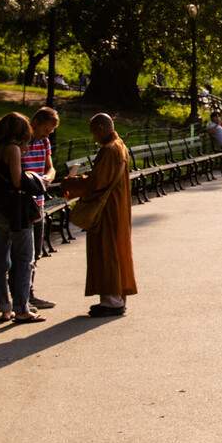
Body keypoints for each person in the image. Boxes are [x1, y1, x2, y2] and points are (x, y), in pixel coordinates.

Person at [63, 113, 136, 317]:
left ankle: (112, 301)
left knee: (107, 251)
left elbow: (97, 183)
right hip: (116, 206)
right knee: (115, 249)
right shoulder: (119, 145)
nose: (93, 137)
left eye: (94, 132)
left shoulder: (109, 150)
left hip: (107, 210)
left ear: (102, 128)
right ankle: (115, 298)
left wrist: (72, 183)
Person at [0, 112, 44, 323]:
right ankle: (22, 308)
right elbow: (17, 181)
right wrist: (32, 178)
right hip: (15, 212)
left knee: (1, 260)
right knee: (24, 259)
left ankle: (5, 308)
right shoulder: (13, 150)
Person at [21, 106, 61, 308]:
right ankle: (21, 298)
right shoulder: (21, 143)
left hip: (39, 203)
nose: (49, 134)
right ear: (35, 123)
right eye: (47, 129)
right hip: (23, 205)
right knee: (23, 254)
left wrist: (48, 177)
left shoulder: (44, 142)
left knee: (35, 252)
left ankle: (29, 294)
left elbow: (50, 167)